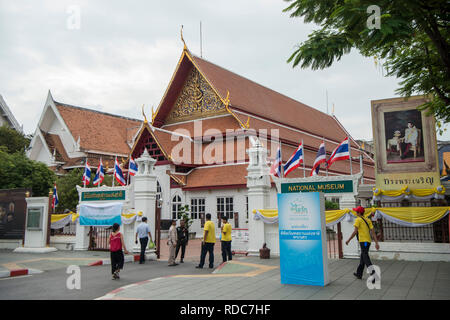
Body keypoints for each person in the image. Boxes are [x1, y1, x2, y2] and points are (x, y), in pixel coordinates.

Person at [345, 206, 380, 280]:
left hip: (363, 242)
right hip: (368, 242)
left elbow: (355, 232)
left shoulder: (358, 220)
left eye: (356, 211)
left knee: (365, 257)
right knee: (363, 257)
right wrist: (376, 243)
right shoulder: (368, 220)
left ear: (358, 213)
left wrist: (348, 240)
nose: (355, 212)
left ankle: (373, 275)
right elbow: (373, 233)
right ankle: (359, 274)